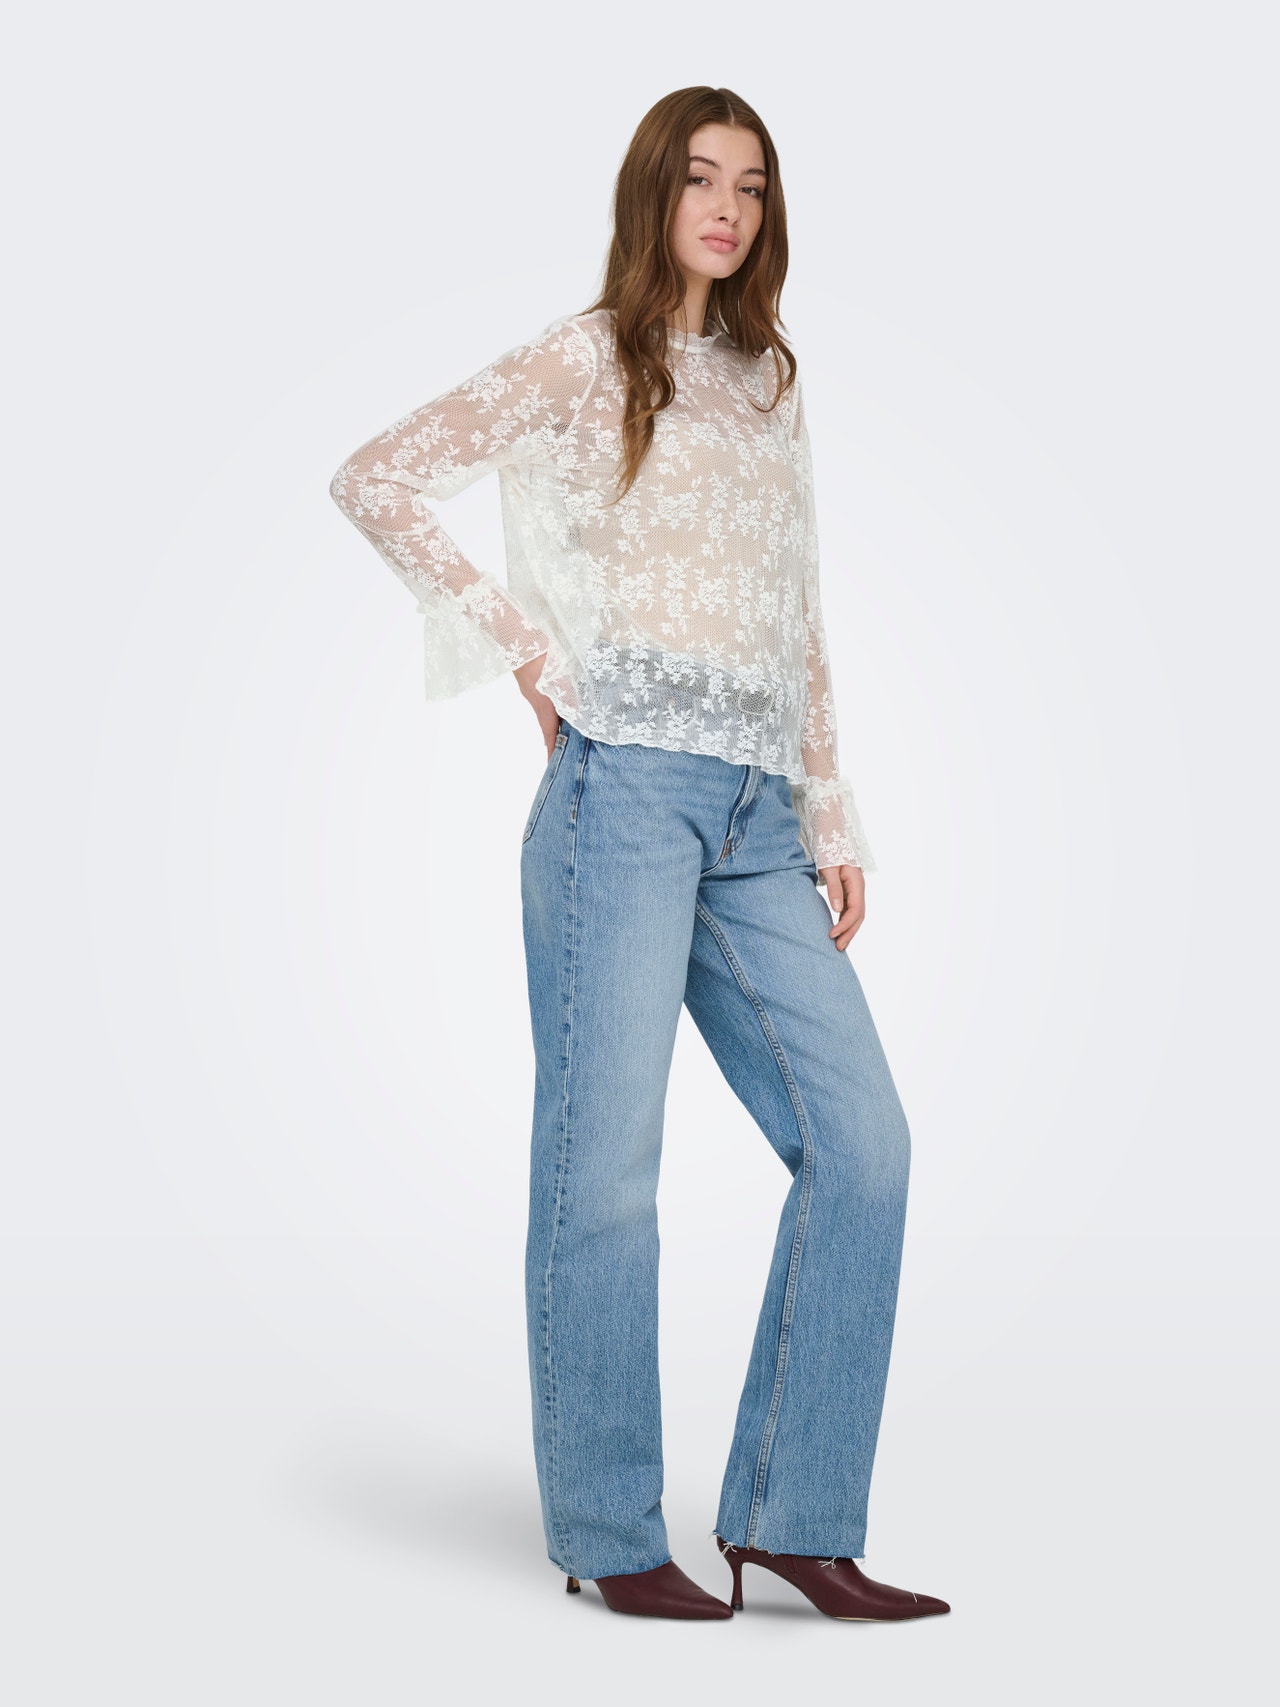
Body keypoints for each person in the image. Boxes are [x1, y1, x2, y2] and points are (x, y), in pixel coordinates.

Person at [328, 85, 949, 1625]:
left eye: (752, 185)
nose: (727, 208)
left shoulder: (771, 380)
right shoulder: (588, 354)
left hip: (754, 816)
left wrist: (825, 806)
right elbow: (378, 476)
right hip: (621, 797)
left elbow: (797, 601)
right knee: (603, 1170)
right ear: (653, 194)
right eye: (701, 179)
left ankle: (794, 1518)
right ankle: (608, 1535)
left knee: (865, 1147)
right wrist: (526, 649)